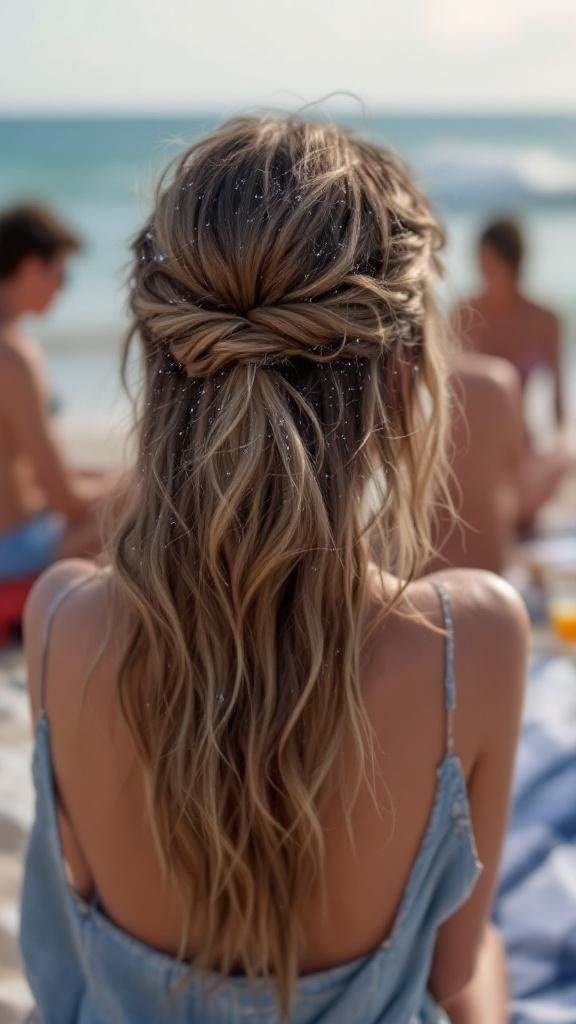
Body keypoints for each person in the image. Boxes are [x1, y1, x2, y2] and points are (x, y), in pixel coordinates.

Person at [20, 118, 528, 1023]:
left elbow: (82, 919)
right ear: (404, 378)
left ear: (157, 361)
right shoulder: (472, 642)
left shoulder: (62, 623)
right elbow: (452, 975)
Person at [0, 203, 115, 581]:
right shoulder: (13, 356)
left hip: (19, 529)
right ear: (33, 267)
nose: (62, 288)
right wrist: (130, 484)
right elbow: (65, 502)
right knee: (154, 507)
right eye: (62, 274)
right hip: (14, 549)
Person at [429, 349, 574, 574]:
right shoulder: (494, 381)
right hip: (481, 576)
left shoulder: (392, 376)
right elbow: (523, 497)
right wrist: (566, 451)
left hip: (414, 572)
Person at [456, 216, 564, 431]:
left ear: (513, 266)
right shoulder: (463, 315)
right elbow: (448, 394)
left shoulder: (545, 321)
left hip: (519, 439)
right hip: (470, 438)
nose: (483, 277)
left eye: (490, 268)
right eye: (480, 267)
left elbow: (559, 404)